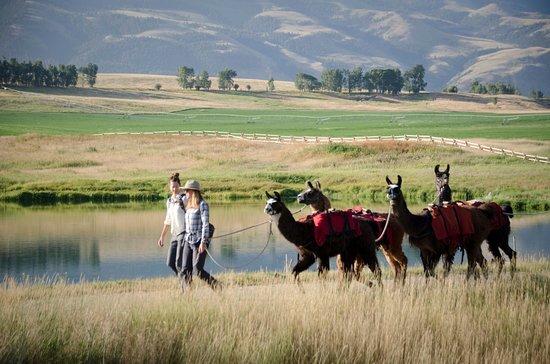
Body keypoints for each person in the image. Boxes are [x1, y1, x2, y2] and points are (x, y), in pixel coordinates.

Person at [180, 179, 219, 289]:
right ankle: (187, 292)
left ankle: (216, 285)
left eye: (187, 190)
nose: (186, 192)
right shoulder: (188, 205)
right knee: (185, 269)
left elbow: (205, 224)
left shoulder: (203, 205)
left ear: (193, 191)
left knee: (197, 269)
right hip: (188, 239)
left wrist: (203, 242)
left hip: (199, 241)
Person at [157, 173, 186, 275]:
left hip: (183, 233)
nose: (174, 189)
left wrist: (184, 192)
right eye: (172, 186)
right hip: (174, 234)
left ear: (179, 186)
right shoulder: (169, 201)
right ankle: (185, 281)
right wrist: (162, 237)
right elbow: (168, 220)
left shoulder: (184, 198)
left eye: (176, 186)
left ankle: (186, 286)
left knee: (179, 262)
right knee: (170, 262)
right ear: (169, 187)